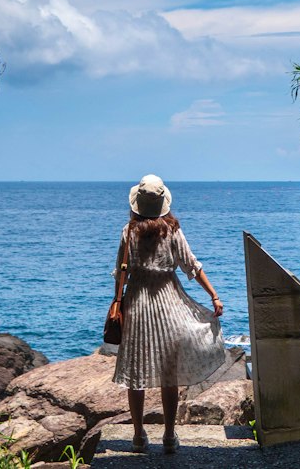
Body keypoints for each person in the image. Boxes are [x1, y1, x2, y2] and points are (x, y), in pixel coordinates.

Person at [110, 174, 226, 454]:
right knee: (169, 374)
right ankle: (170, 435)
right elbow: (192, 265)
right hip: (170, 305)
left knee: (136, 373)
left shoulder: (128, 232)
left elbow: (120, 275)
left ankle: (138, 437)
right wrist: (213, 294)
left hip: (137, 306)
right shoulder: (172, 231)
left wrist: (117, 301)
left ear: (137, 204)